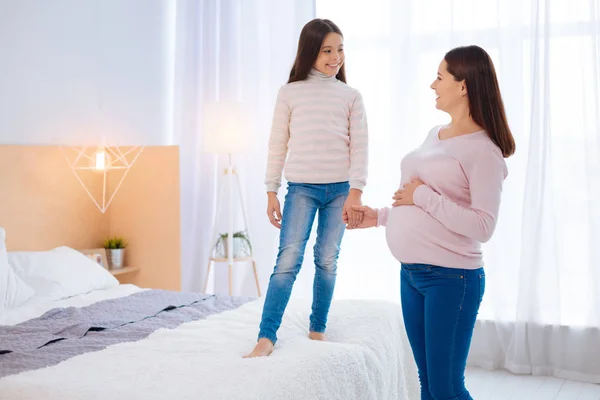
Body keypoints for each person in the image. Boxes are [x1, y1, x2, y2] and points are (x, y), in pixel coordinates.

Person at [349, 45, 515, 399]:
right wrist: (379, 217)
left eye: (440, 77)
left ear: (464, 85)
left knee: (446, 386)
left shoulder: (484, 151)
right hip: (412, 275)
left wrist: (421, 196)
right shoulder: (434, 134)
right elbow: (421, 205)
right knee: (427, 384)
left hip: (451, 279)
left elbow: (483, 226)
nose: (432, 85)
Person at [244, 18, 369, 358]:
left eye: (340, 49)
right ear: (310, 51)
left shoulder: (351, 96)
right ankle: (266, 337)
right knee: (287, 261)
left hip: (340, 190)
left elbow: (359, 148)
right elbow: (277, 144)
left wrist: (356, 191)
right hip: (301, 189)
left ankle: (317, 328)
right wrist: (271, 189)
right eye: (327, 50)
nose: (335, 57)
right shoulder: (290, 93)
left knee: (327, 260)